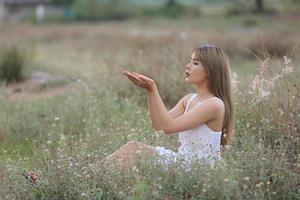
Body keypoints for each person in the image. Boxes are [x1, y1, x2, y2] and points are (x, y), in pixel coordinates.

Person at [100, 44, 234, 172]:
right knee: (133, 148)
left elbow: (169, 128)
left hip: (198, 169)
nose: (187, 66)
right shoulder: (188, 100)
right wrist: (150, 92)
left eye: (195, 63)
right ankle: (93, 173)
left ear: (210, 70)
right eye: (190, 61)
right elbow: (159, 126)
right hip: (183, 161)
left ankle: (91, 173)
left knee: (135, 149)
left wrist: (153, 88)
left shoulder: (214, 104)